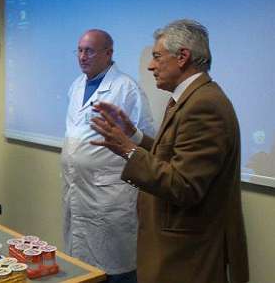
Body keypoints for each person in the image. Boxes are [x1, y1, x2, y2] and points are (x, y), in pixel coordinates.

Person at [91, 20, 249, 283]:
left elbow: (183, 185)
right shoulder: (189, 98)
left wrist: (128, 149)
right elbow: (174, 157)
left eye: (157, 57)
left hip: (186, 256)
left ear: (183, 57)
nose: (151, 66)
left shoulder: (204, 105)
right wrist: (134, 136)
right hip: (177, 248)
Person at [62, 29, 155, 283]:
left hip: (110, 195)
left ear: (108, 53)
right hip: (78, 190)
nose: (82, 56)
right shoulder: (76, 85)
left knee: (116, 267)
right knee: (82, 266)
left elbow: (147, 141)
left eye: (89, 51)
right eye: (80, 50)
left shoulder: (127, 89)